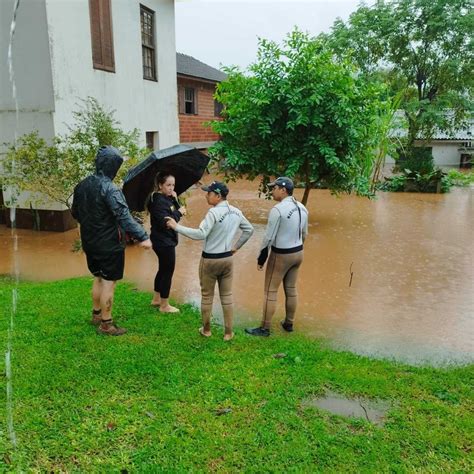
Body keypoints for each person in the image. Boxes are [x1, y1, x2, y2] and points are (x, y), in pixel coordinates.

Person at [71, 145, 152, 336]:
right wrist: (143, 236)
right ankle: (106, 324)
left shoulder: (82, 185)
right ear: (113, 167)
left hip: (90, 242)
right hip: (109, 245)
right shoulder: (110, 189)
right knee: (108, 282)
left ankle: (96, 314)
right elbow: (124, 217)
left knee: (98, 277)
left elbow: (75, 212)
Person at [166, 181, 254, 341]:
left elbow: (201, 234)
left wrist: (175, 226)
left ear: (218, 195)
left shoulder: (213, 213)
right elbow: (249, 230)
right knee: (226, 296)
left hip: (211, 260)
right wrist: (236, 248)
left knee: (207, 296)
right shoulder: (236, 212)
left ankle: (206, 330)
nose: (206, 195)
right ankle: (228, 333)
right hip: (227, 259)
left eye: (209, 193)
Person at [245, 177, 308, 337]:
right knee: (291, 289)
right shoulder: (302, 208)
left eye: (274, 188)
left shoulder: (278, 210)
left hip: (281, 255)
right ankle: (289, 323)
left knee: (270, 291)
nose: (272, 191)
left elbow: (268, 238)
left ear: (283, 190)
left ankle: (264, 328)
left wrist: (261, 259)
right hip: (298, 252)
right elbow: (304, 234)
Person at [147, 173, 186, 313]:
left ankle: (156, 299)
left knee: (163, 269)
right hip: (163, 242)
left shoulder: (165, 198)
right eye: (168, 185)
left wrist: (176, 200)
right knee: (168, 272)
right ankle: (165, 305)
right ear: (160, 185)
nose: (171, 188)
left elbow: (174, 210)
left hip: (164, 240)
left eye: (173, 185)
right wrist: (179, 213)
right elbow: (167, 223)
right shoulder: (158, 201)